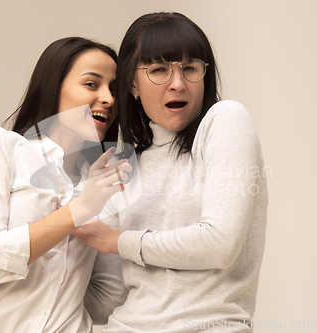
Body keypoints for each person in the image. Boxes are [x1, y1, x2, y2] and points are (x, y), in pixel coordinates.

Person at [73, 12, 268, 332]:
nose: (177, 83)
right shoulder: (123, 166)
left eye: (190, 68)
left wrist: (119, 242)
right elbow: (108, 299)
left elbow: (219, 244)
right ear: (133, 85)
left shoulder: (225, 120)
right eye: (159, 70)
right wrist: (9, 281)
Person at [0, 37, 132, 333]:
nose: (108, 98)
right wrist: (79, 210)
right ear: (54, 86)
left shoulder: (102, 185)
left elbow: (106, 299)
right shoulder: (1, 145)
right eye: (92, 84)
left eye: (114, 89)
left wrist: (31, 290)